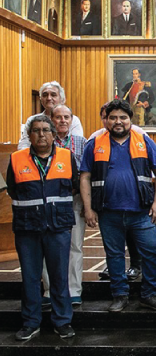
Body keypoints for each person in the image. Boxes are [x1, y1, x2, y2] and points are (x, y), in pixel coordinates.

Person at [80, 99, 156, 313]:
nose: (118, 122)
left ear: (130, 120)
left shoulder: (144, 141)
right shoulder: (94, 143)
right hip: (108, 212)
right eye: (113, 118)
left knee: (151, 251)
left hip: (141, 212)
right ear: (107, 120)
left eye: (123, 118)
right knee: (114, 255)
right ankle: (120, 294)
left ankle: (149, 294)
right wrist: (89, 208)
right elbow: (85, 176)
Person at [7, 116, 78, 340]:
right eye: (36, 130)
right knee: (30, 277)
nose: (41, 134)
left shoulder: (67, 157)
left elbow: (74, 186)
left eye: (46, 130)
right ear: (29, 135)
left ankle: (63, 321)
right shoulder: (17, 159)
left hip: (58, 227)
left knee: (59, 277)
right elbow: (12, 189)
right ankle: (30, 323)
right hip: (27, 229)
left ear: (53, 134)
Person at [88, 102, 144, 281]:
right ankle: (116, 282)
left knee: (140, 242)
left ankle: (136, 266)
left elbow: (155, 168)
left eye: (121, 117)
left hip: (135, 203)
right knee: (113, 246)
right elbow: (86, 174)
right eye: (108, 117)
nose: (114, 121)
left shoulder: (140, 136)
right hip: (107, 203)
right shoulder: (95, 139)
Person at [40, 105, 87, 308]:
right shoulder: (44, 141)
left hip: (74, 200)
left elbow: (86, 174)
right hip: (49, 200)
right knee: (48, 246)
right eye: (58, 117)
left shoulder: (81, 142)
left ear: (71, 120)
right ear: (51, 120)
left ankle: (74, 290)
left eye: (66, 117)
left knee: (75, 245)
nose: (62, 121)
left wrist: (88, 203)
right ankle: (50, 289)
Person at [19, 81, 84, 150]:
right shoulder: (32, 120)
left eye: (53, 95)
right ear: (41, 99)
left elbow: (77, 145)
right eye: (45, 95)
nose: (49, 98)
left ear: (61, 99)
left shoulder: (73, 119)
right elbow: (24, 145)